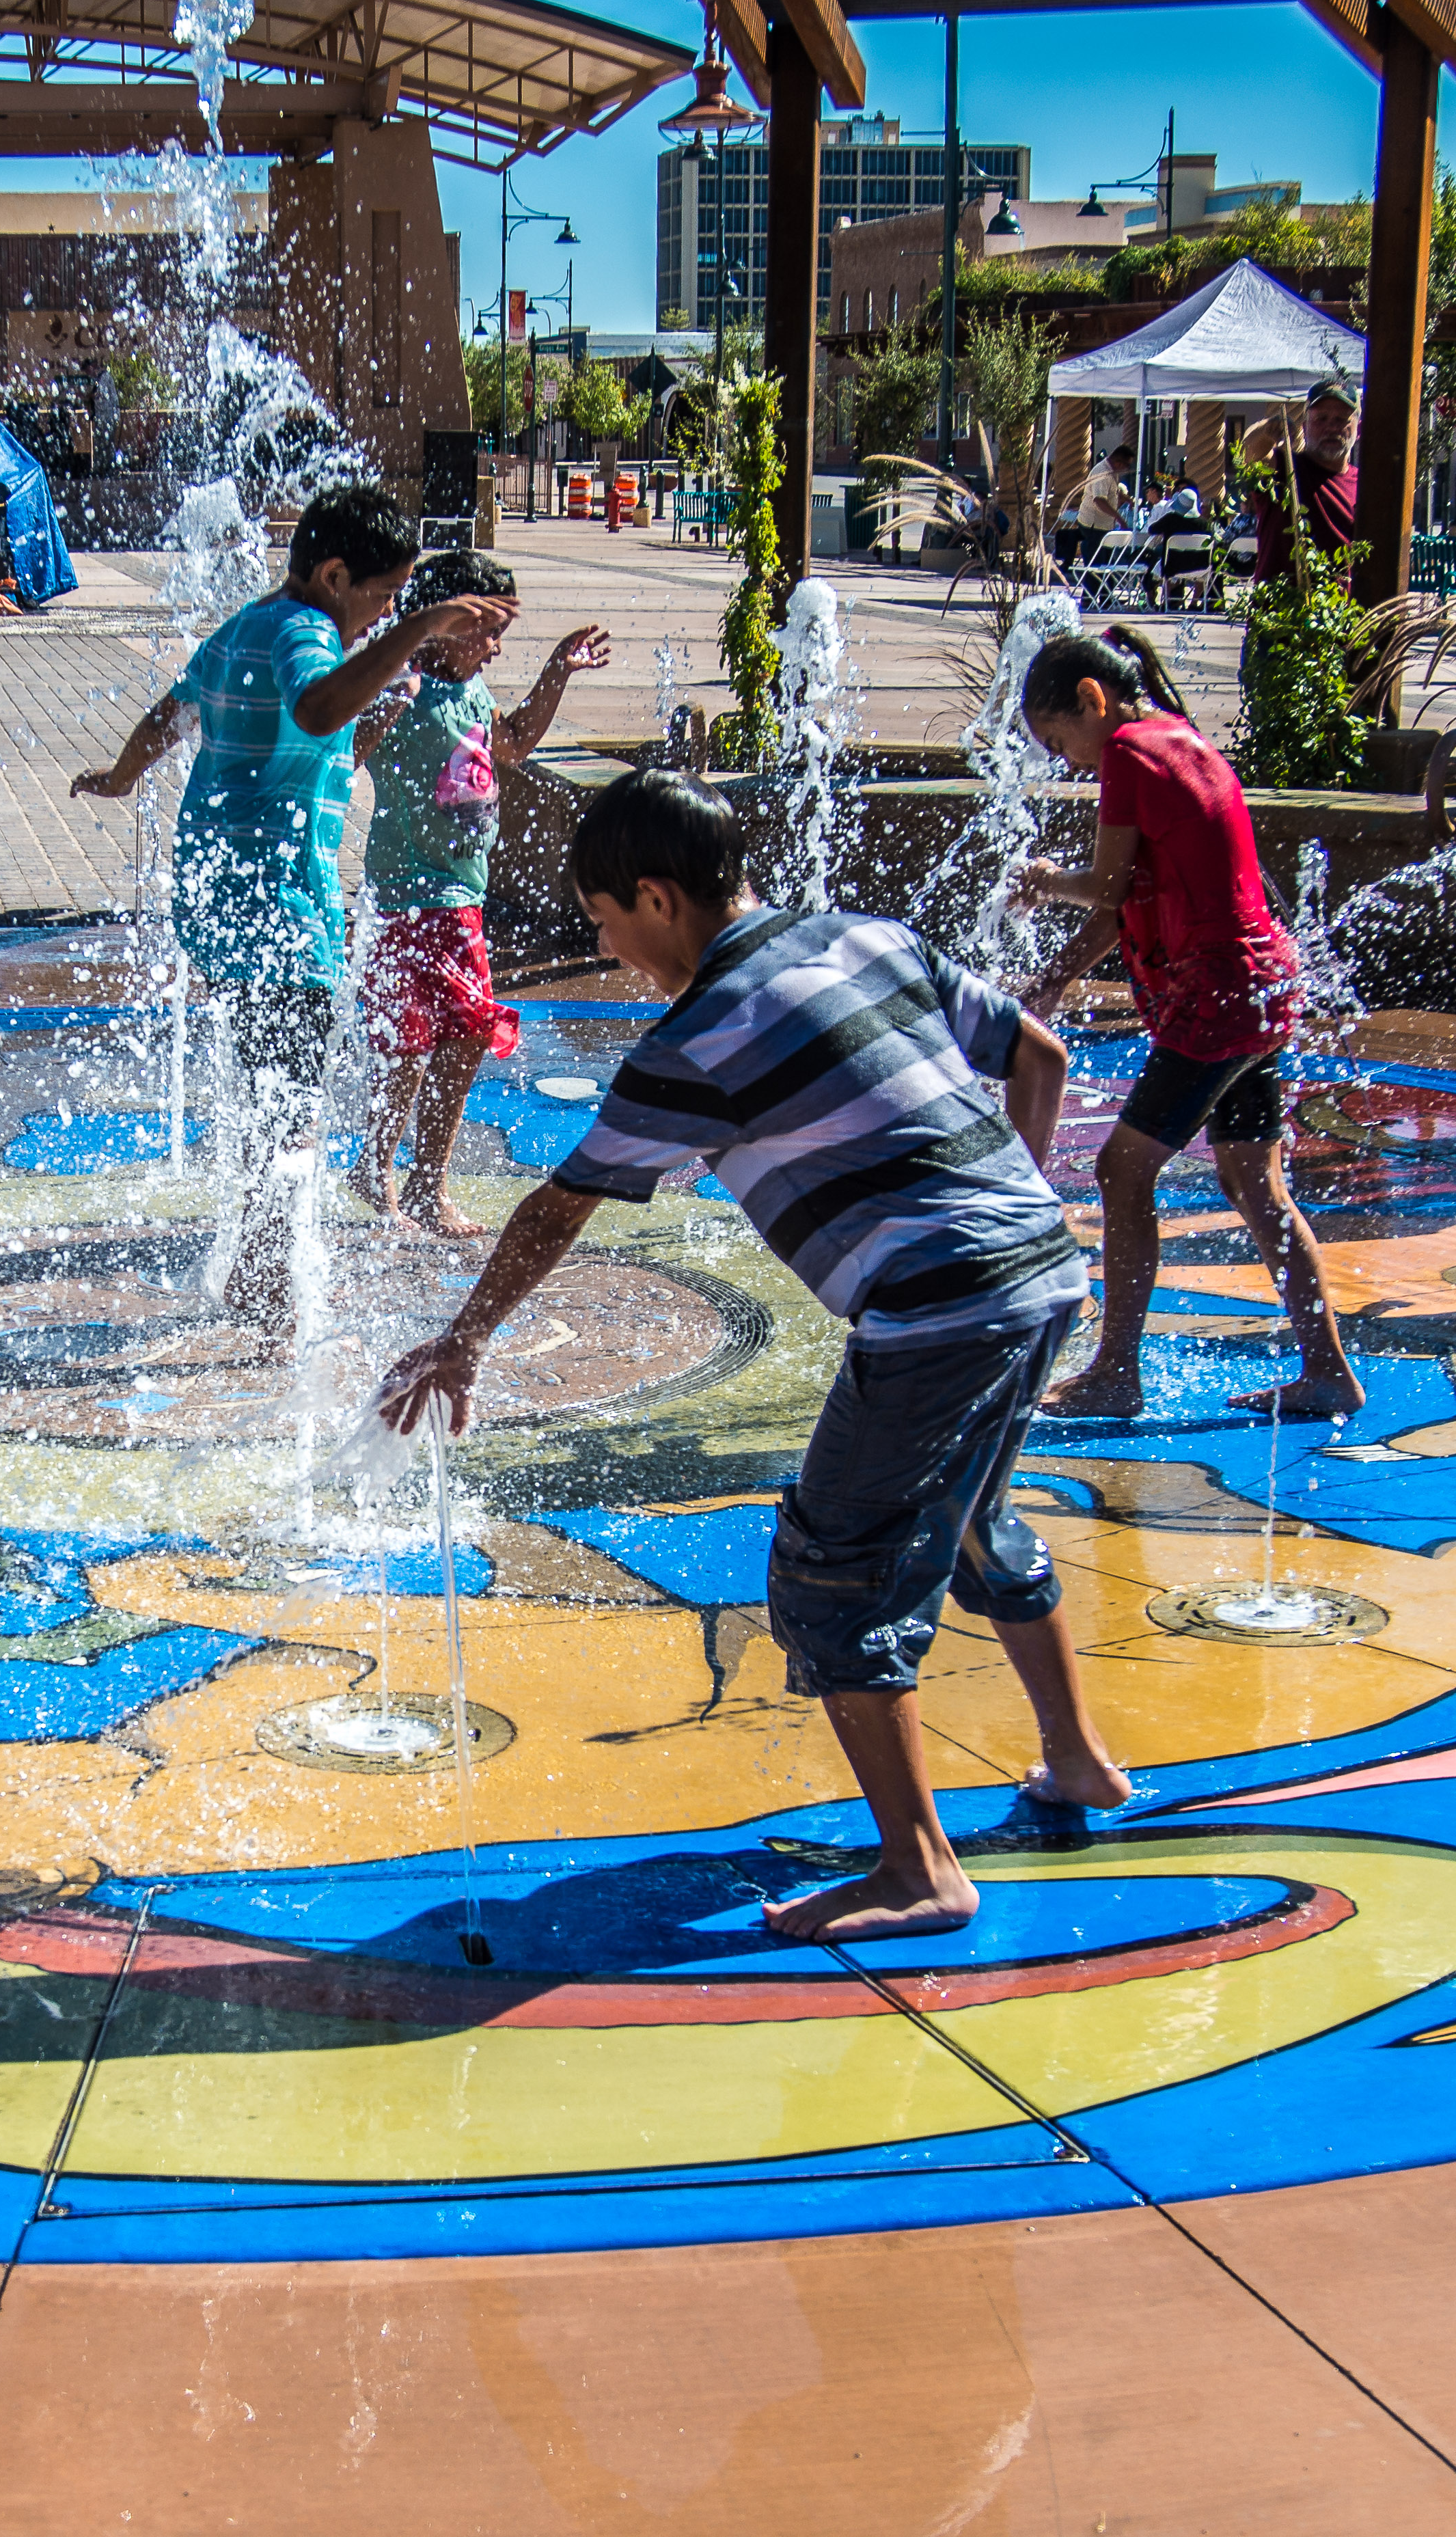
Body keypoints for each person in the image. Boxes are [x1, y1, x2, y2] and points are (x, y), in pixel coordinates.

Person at [372, 768, 1124, 1943]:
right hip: (1043, 1276)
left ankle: (920, 1868)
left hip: (939, 1311)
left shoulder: (701, 1036)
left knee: (831, 1571)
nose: (612, 949)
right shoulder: (869, 938)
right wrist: (1016, 1202)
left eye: (606, 922)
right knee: (977, 1515)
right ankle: (1076, 1758)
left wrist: (464, 1339)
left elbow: (559, 1205)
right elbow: (1041, 1052)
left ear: (657, 896)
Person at [69, 481, 510, 1325]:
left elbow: (172, 711)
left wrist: (123, 779)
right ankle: (266, 1285)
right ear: (336, 575)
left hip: (225, 900)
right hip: (277, 910)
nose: (382, 618)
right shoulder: (305, 631)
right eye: (380, 599)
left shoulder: (245, 623)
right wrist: (420, 629)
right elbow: (315, 705)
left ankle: (259, 1264)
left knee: (271, 1089)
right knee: (292, 1107)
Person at [1007, 625, 1360, 1425]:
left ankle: (1114, 1373)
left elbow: (1102, 885)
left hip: (1216, 1003)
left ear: (1092, 701)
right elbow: (1130, 893)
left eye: (1060, 738)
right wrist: (1059, 977)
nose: (1068, 761)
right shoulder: (1181, 740)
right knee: (1251, 1179)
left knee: (1120, 1173)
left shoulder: (1130, 753)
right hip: (1266, 992)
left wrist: (1043, 880)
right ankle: (1327, 1371)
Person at [349, 549, 605, 1237]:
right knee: (429, 1040)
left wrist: (557, 671)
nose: (495, 648)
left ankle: (404, 1179)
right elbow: (342, 751)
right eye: (489, 630)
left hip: (457, 899)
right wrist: (388, 690)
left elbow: (514, 744)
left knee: (447, 1040)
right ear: (447, 621)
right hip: (410, 897)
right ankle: (400, 1181)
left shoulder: (471, 695)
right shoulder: (400, 686)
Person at [1247, 383, 1357, 589]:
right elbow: (1252, 453)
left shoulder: (1366, 487)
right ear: (1305, 427)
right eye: (1321, 419)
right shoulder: (1284, 470)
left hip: (1341, 616)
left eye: (1341, 420)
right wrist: (1268, 429)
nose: (1332, 428)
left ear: (1358, 429)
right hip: (1279, 615)